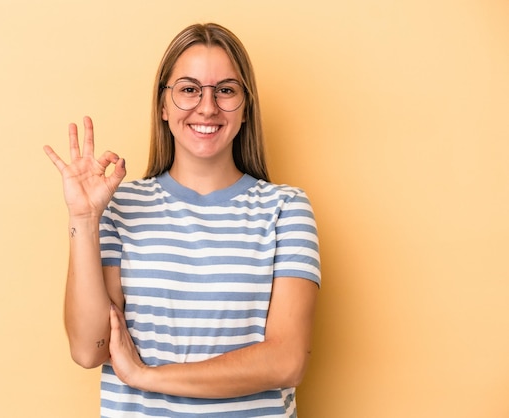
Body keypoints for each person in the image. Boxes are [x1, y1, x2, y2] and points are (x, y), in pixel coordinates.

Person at [44, 22, 321, 418]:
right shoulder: (119, 208)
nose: (207, 107)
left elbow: (286, 362)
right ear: (163, 105)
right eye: (189, 89)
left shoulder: (285, 209)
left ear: (245, 107)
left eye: (225, 90)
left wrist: (146, 377)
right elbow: (90, 350)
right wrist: (85, 219)